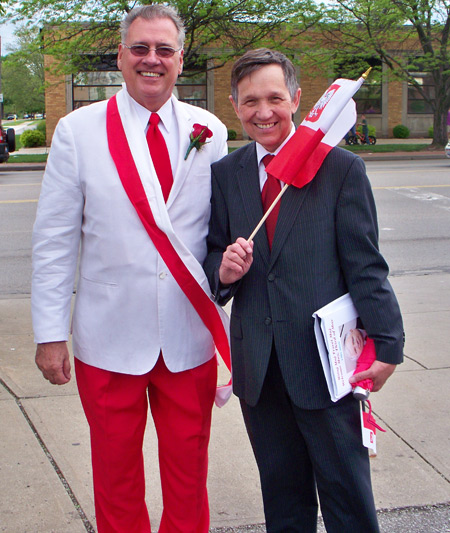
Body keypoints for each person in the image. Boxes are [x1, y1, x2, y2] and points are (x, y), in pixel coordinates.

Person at [31, 5, 228, 533]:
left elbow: (217, 233)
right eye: (140, 48)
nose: (151, 59)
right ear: (121, 55)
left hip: (187, 336)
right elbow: (53, 241)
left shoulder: (210, 130)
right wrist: (50, 333)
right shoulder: (79, 130)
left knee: (189, 475)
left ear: (180, 60)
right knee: (115, 475)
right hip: (109, 334)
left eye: (164, 49)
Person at [203, 48, 404, 533]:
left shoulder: (340, 170)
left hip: (327, 366)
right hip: (260, 371)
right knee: (283, 499)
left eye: (274, 97)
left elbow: (366, 265)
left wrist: (389, 343)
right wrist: (224, 271)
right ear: (235, 106)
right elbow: (209, 258)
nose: (263, 111)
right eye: (250, 101)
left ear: (296, 99)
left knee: (347, 498)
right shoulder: (225, 175)